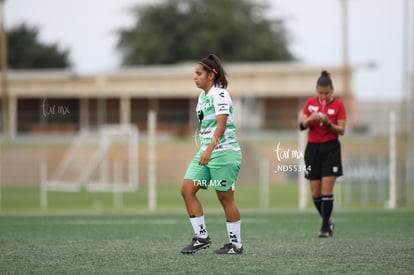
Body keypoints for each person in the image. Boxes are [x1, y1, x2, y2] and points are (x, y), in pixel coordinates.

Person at [180, 54, 243, 254]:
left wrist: (208, 150)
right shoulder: (202, 97)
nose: (194, 77)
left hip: (223, 153)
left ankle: (236, 245)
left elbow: (221, 126)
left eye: (198, 73)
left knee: (225, 198)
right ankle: (202, 237)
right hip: (207, 151)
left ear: (211, 75)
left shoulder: (220, 94)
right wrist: (205, 148)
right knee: (187, 189)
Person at [299, 70, 346, 237]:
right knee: (315, 193)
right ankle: (328, 221)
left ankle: (325, 227)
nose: (323, 96)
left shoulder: (338, 105)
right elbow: (301, 125)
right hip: (313, 149)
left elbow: (341, 130)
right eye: (320, 93)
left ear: (332, 90)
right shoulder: (310, 103)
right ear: (316, 90)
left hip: (331, 148)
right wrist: (310, 119)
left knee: (327, 190)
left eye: (326, 93)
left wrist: (328, 123)